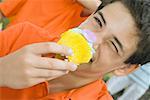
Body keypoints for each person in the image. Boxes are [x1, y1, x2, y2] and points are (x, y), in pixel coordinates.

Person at [0, 0, 150, 99]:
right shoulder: (23, 35)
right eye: (98, 21)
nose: (91, 38)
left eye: (113, 45)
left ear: (125, 68)